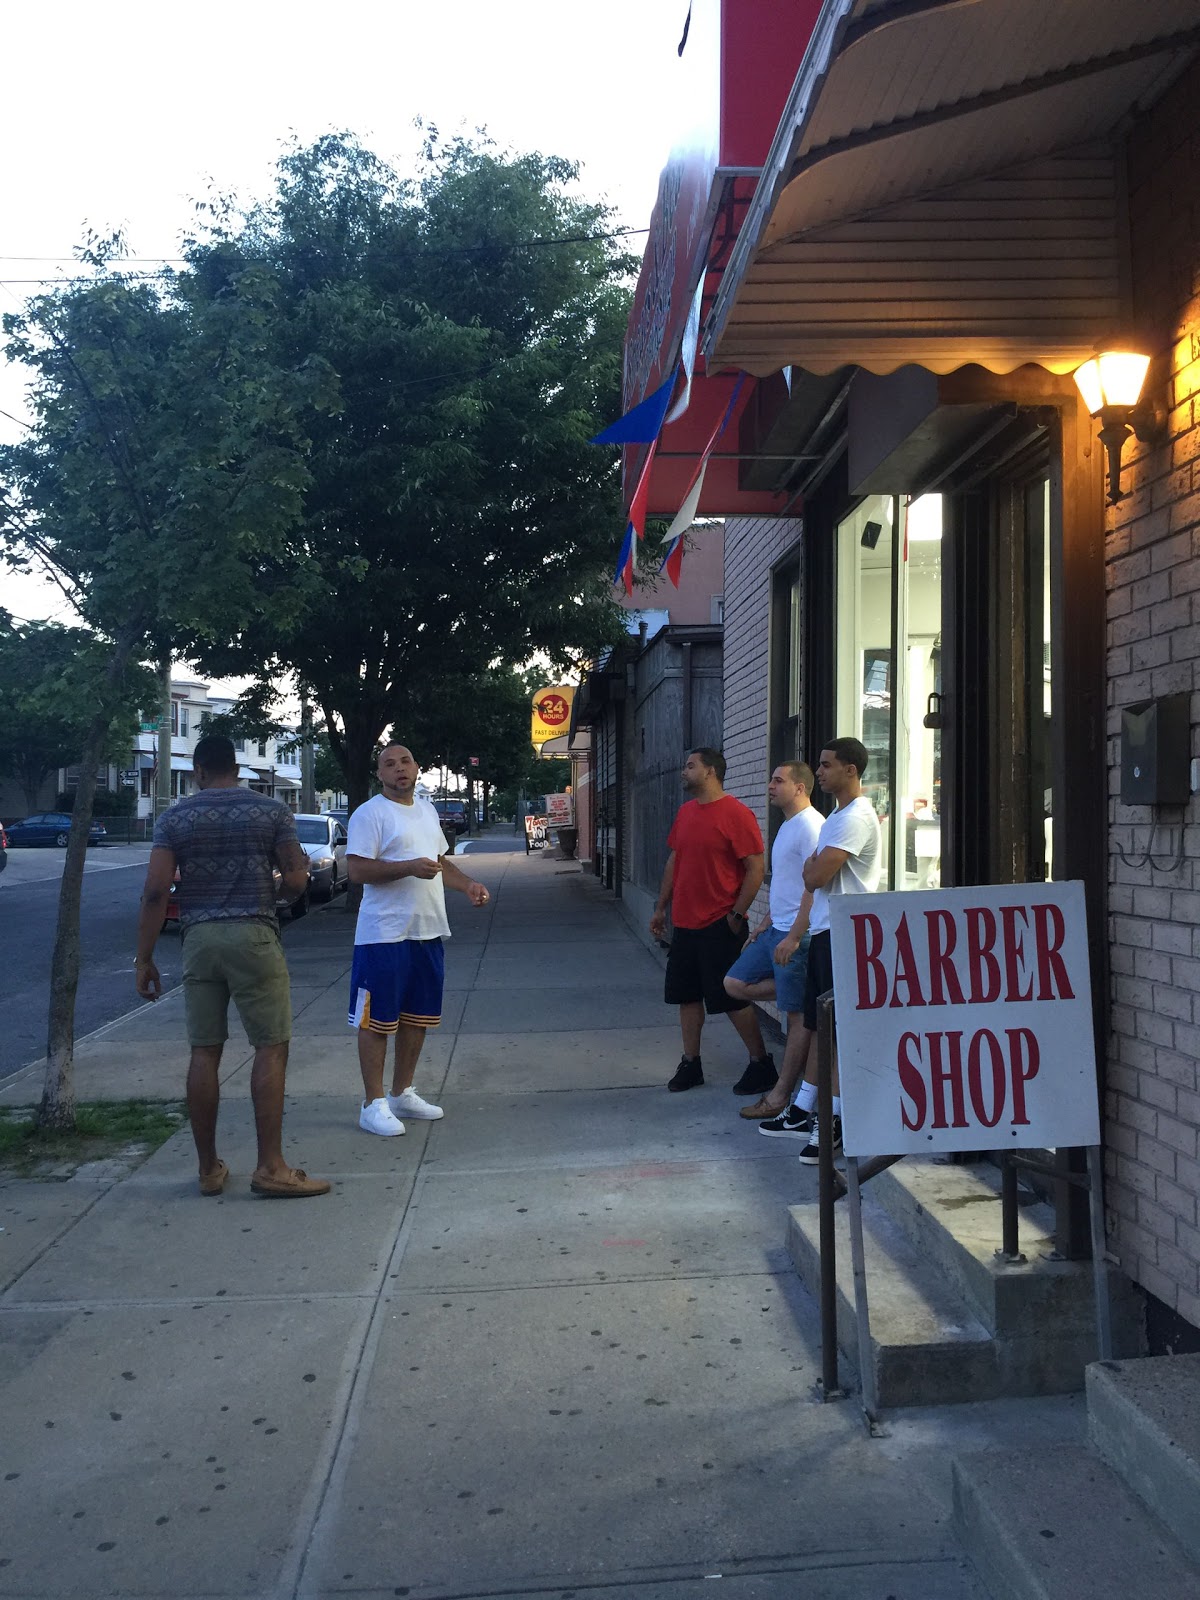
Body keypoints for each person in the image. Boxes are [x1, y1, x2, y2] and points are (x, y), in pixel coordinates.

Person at [135, 734, 330, 1199]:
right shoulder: (271, 812)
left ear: (199, 771)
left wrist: (143, 958)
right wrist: (280, 891)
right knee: (270, 1047)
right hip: (255, 935)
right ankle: (271, 1167)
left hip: (199, 940)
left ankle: (208, 1169)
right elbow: (299, 879)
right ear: (237, 770)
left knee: (204, 1050)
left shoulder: (175, 817)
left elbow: (156, 891)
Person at [347, 743, 489, 1136]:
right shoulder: (369, 814)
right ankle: (372, 1104)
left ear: (417, 767)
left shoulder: (426, 810)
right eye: (389, 765)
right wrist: (407, 867)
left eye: (405, 762)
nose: (398, 770)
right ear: (380, 775)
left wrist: (468, 885)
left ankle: (400, 1093)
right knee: (376, 1021)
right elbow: (357, 869)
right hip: (383, 935)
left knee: (417, 1018)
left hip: (427, 930)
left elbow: (440, 863)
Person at [767, 736, 882, 1163]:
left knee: (836, 1034)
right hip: (824, 932)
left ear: (850, 770)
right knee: (819, 1027)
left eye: (827, 765)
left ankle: (831, 1123)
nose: (819, 772)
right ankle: (805, 1110)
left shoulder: (854, 817)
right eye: (819, 764)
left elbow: (814, 876)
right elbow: (811, 874)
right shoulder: (836, 816)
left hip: (844, 933)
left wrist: (813, 869)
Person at [649, 747, 775, 1094]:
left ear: (711, 772)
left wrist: (736, 914)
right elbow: (675, 860)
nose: (683, 771)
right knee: (686, 997)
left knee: (732, 999)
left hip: (720, 923)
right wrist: (661, 907)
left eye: (691, 766)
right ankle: (691, 1063)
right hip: (685, 924)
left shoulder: (736, 814)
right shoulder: (687, 813)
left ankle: (761, 1064)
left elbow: (755, 868)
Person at [722, 762, 823, 1123]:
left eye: (778, 781)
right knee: (734, 983)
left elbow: (816, 887)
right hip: (775, 929)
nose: (770, 786)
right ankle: (797, 992)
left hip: (798, 934)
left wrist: (796, 934)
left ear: (800, 787)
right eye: (771, 780)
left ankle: (781, 1097)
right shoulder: (787, 826)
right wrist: (763, 924)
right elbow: (787, 884)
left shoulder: (812, 826)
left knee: (797, 1018)